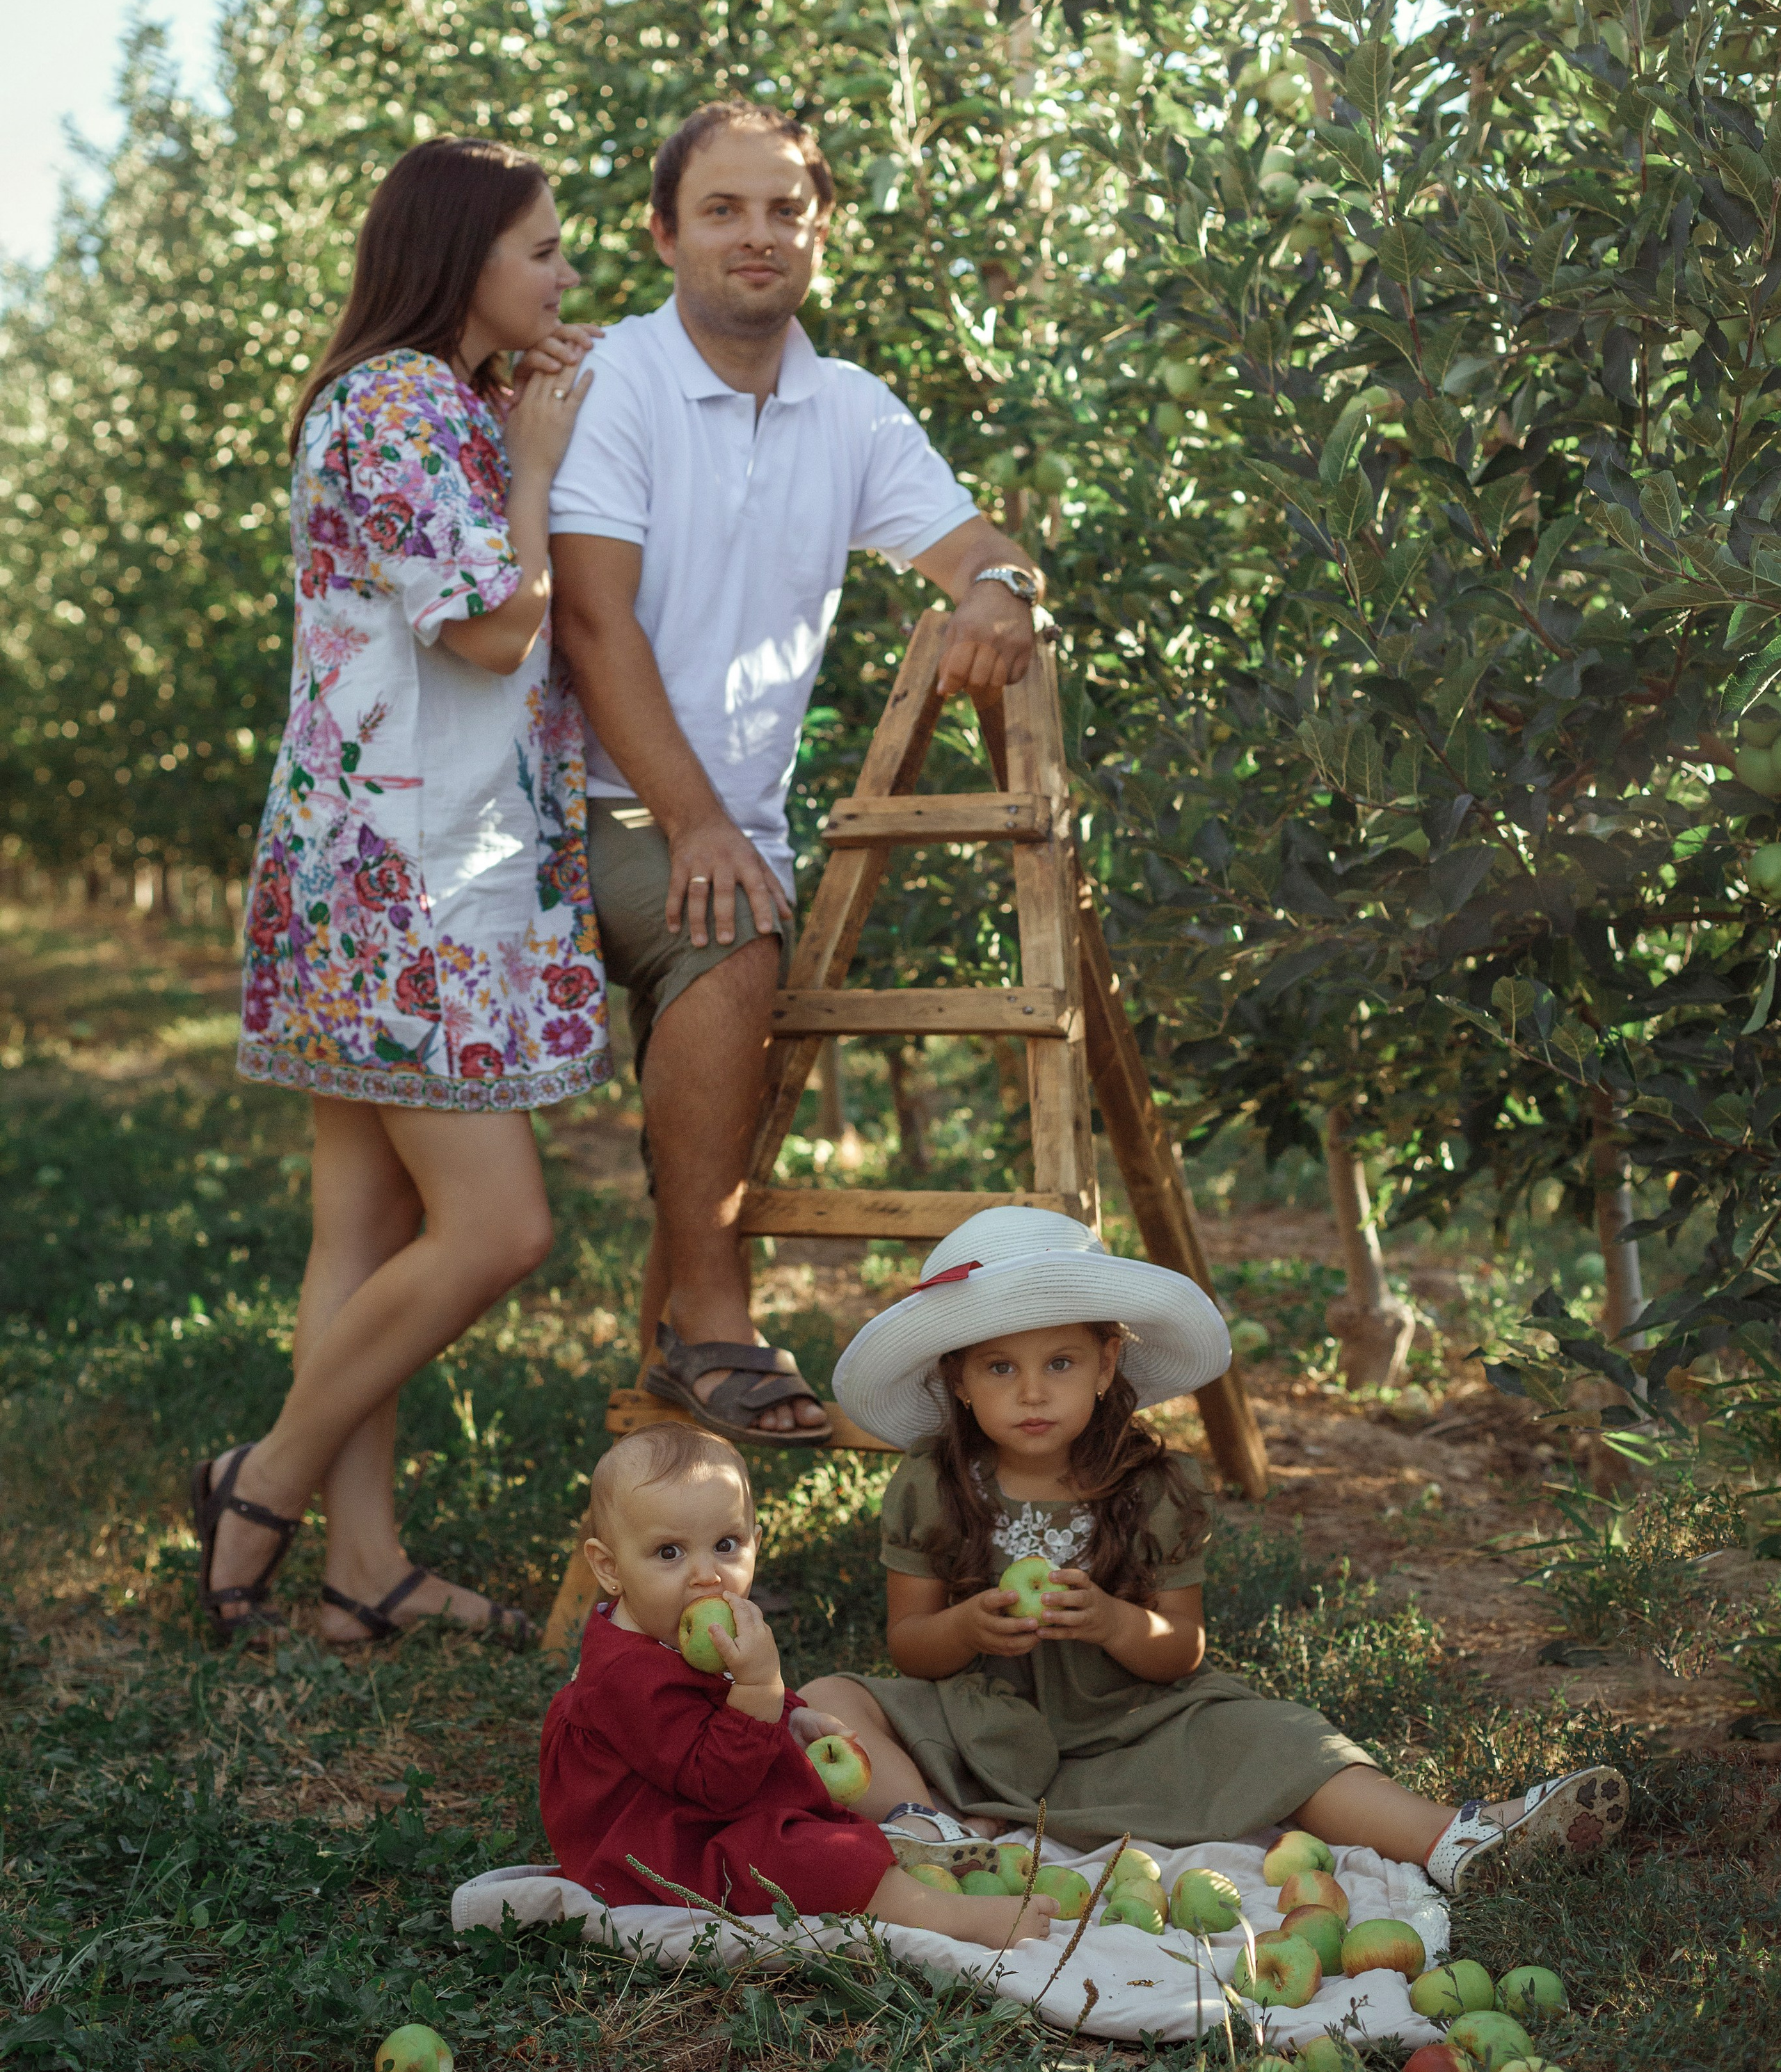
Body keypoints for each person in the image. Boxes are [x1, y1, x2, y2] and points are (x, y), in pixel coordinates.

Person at [548, 100, 1048, 1449]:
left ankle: (689, 1337)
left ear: (822, 234)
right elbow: (591, 621)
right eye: (723, 209)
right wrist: (697, 822)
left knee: (737, 912)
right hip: (579, 803)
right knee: (731, 928)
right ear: (665, 234)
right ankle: (710, 1329)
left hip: (729, 821)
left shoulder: (851, 411)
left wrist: (999, 589)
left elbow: (976, 548)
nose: (756, 235)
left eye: (785, 210)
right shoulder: (616, 383)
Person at [197, 137, 608, 1646]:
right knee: (499, 1229)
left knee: (363, 1227)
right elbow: (491, 632)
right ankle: (264, 1479)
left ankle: (362, 1567)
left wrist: (517, 408)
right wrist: (539, 460)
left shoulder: (428, 400)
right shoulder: (396, 406)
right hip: (405, 880)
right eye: (543, 250)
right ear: (463, 259)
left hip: (381, 858)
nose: (567, 275)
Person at [798, 1207, 1631, 1890]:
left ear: (1106, 1364)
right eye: (998, 1369)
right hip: (977, 1725)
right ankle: (932, 1830)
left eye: (1060, 1361)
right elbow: (910, 1648)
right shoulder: (932, 1483)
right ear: (957, 1379)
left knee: (1283, 1739)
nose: (1032, 1392)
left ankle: (1453, 1839)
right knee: (828, 1697)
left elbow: (1180, 1652)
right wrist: (967, 1628)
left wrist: (1114, 1623)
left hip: (1131, 1724)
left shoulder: (1153, 1487)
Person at [539, 1418, 1055, 1947]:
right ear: (609, 1567)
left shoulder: (671, 1624)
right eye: (669, 1552)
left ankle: (909, 1849)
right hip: (661, 1853)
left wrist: (789, 1714)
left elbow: (710, 1710)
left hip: (701, 1811)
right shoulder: (624, 1676)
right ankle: (949, 1915)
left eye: (726, 1544)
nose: (707, 1575)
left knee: (820, 1821)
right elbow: (716, 1785)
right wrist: (760, 1689)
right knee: (814, 1858)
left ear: (756, 1543)